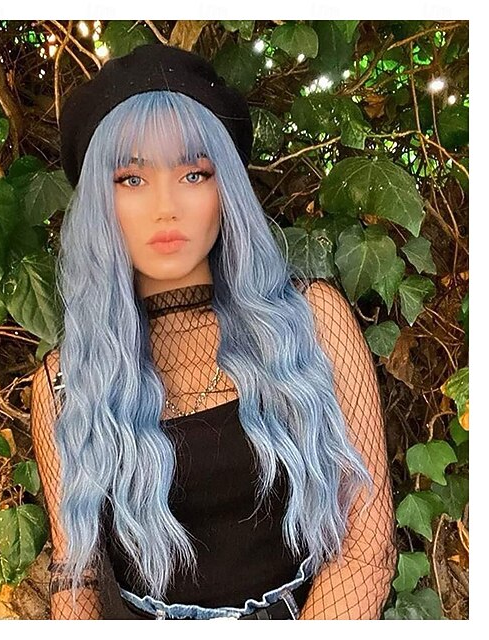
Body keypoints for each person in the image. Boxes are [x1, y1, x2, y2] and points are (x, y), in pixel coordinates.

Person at [30, 43, 397, 620]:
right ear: (99, 202)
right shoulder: (64, 384)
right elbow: (75, 574)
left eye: (194, 173)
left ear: (226, 190)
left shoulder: (311, 322)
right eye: (131, 178)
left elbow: (366, 545)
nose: (166, 206)